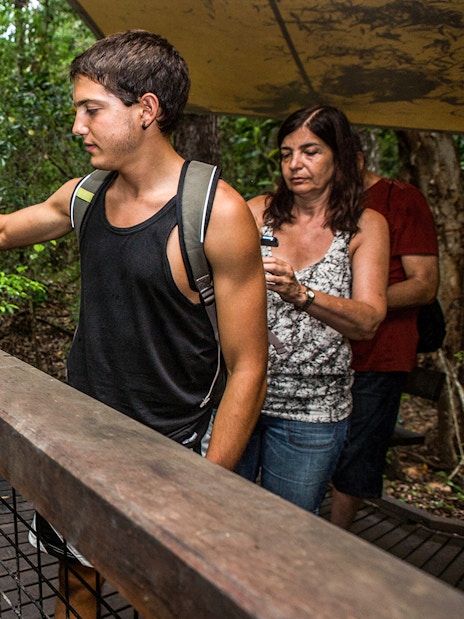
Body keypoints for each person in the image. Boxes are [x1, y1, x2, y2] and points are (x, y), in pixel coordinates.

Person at [0, 30, 268, 618]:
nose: (78, 127)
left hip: (170, 450)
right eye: (78, 111)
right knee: (76, 586)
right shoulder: (84, 196)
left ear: (146, 110)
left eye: (91, 110)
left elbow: (249, 366)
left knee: (161, 599)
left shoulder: (217, 214)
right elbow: (3, 230)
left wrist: (207, 482)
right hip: (82, 437)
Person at [235, 106, 389, 514]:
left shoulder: (365, 225)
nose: (295, 164)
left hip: (312, 411)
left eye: (310, 151)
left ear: (339, 156)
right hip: (241, 394)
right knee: (223, 516)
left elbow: (369, 320)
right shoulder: (256, 213)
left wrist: (301, 293)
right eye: (286, 153)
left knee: (288, 531)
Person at [330, 140, 439, 530]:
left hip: (380, 353)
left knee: (358, 452)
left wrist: (359, 301)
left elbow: (424, 285)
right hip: (327, 353)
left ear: (356, 160)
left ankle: (336, 540)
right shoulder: (324, 202)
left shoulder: (399, 199)